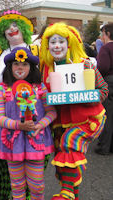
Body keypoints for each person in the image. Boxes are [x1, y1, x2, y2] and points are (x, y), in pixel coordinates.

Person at [39, 22, 108, 200]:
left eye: (60, 41)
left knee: (70, 143)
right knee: (62, 161)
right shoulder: (46, 69)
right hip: (60, 122)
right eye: (52, 42)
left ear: (69, 44)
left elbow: (103, 91)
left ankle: (67, 193)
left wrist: (86, 96)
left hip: (87, 119)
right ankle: (72, 195)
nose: (56, 46)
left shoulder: (85, 65)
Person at [0, 10, 39, 199]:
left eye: (15, 25)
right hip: (1, 113)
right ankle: (11, 194)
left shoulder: (37, 49)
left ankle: (30, 195)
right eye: (7, 28)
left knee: (33, 165)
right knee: (7, 162)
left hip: (31, 115)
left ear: (24, 28)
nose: (12, 29)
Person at [0, 47, 56, 200]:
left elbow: (52, 112)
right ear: (9, 67)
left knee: (37, 185)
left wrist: (40, 124)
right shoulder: (3, 89)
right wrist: (18, 125)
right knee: (17, 185)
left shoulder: (40, 88)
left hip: (35, 141)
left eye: (25, 64)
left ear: (31, 68)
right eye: (15, 64)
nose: (20, 67)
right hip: (12, 144)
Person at [95, 23, 113, 155]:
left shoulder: (106, 48)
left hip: (109, 83)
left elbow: (103, 67)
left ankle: (104, 147)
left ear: (107, 33)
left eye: (103, 33)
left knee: (106, 115)